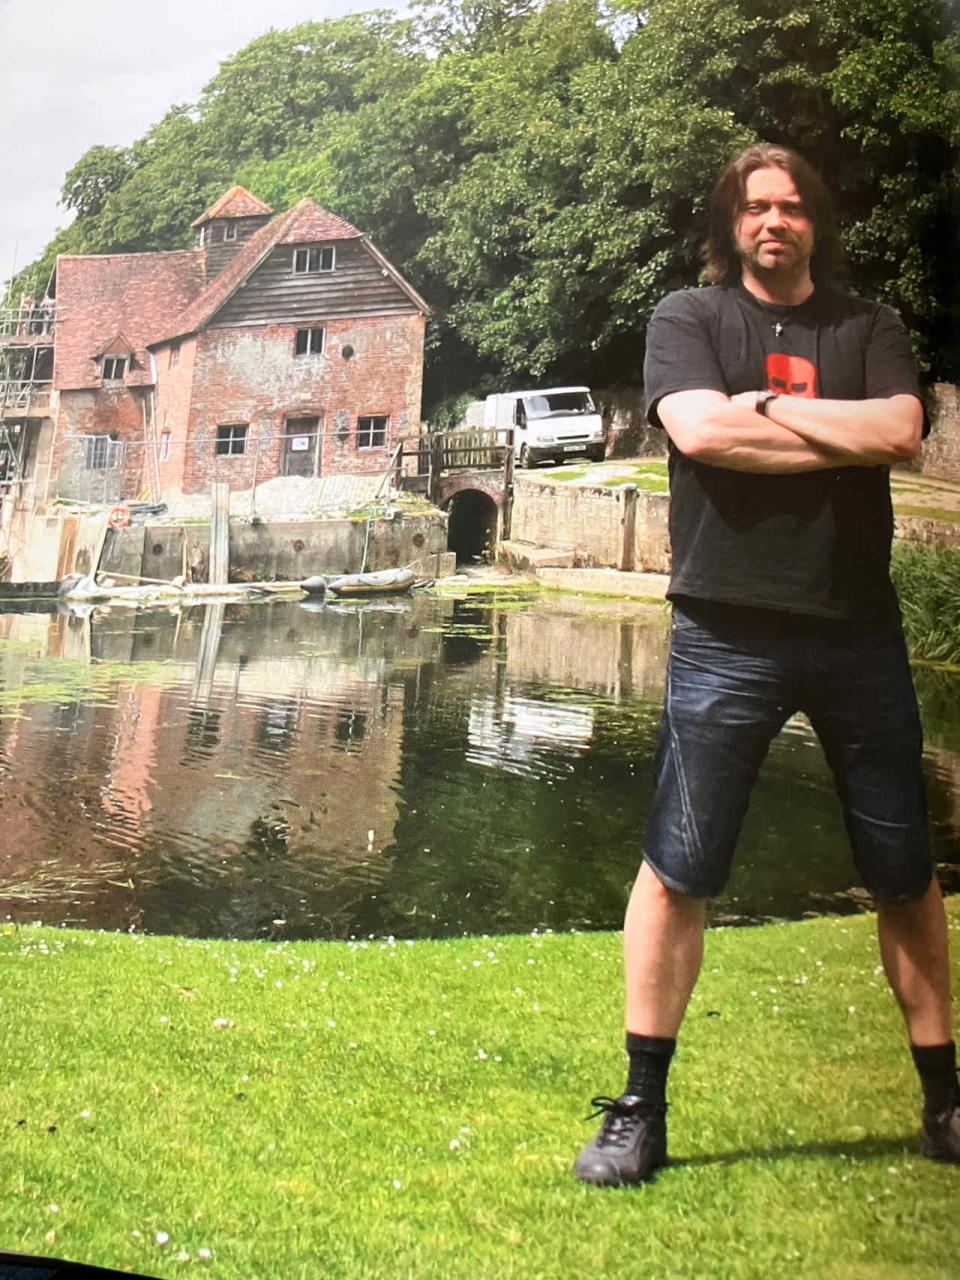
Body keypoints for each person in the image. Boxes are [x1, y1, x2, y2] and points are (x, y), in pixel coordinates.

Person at [574, 143, 959, 1187]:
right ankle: (639, 1109)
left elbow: (903, 431)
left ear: (815, 221)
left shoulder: (867, 326)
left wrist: (770, 410)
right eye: (757, 208)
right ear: (730, 224)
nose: (776, 222)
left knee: (904, 871)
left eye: (792, 206)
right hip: (723, 630)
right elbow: (698, 431)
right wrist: (818, 431)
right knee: (678, 866)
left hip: (856, 627)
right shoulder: (688, 320)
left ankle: (945, 1100)